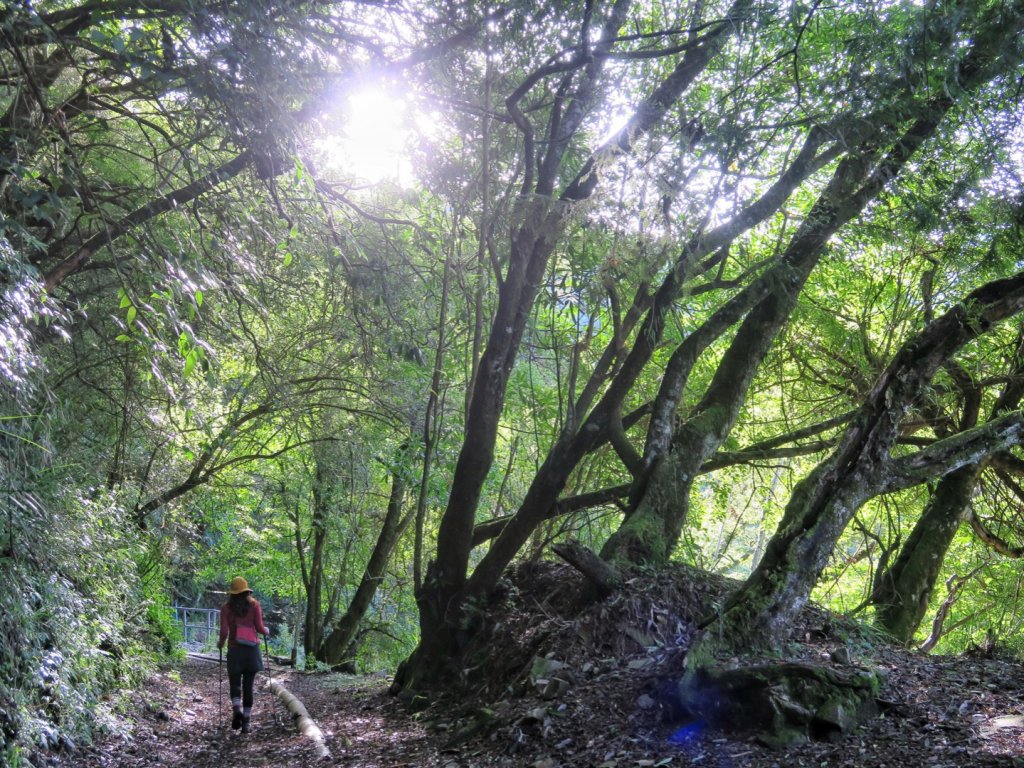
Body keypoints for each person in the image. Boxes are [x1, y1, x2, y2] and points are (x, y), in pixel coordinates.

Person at [217, 577, 269, 733]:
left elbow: (224, 631)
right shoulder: (254, 605)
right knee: (248, 687)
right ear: (247, 591)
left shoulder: (226, 608)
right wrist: (266, 631)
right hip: (252, 651)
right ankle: (246, 722)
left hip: (235, 650)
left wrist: (220, 643)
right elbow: (260, 628)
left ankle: (237, 709)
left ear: (232, 593)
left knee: (235, 684)